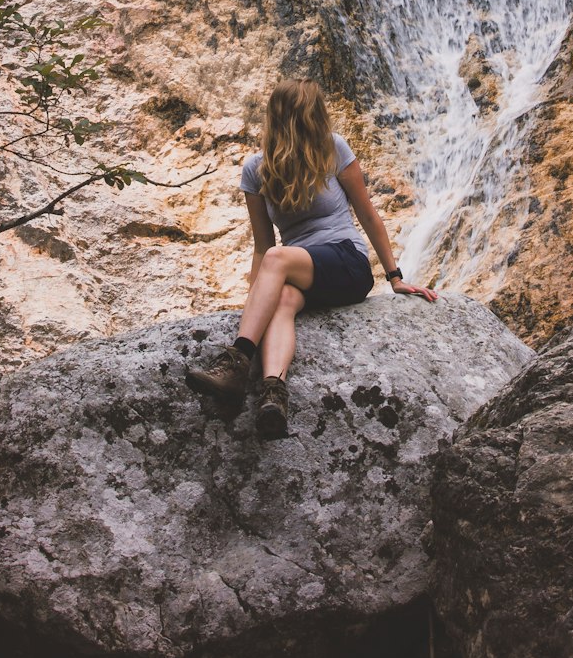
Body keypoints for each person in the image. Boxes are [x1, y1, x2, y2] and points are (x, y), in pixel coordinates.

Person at [185, 78, 437, 439]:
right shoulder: (256, 169)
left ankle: (237, 361)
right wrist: (256, 301)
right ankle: (274, 393)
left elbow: (368, 216)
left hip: (346, 263)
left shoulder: (334, 149)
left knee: (278, 259)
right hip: (301, 272)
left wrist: (394, 277)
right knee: (282, 300)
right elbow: (261, 245)